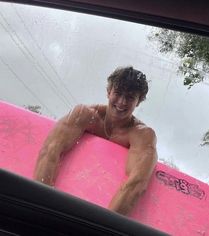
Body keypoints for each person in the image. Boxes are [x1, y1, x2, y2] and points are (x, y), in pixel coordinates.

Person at [34, 66, 158, 216]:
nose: (121, 102)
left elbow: (136, 183)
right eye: (118, 93)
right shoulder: (85, 115)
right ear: (108, 91)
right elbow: (50, 151)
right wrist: (42, 205)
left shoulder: (142, 135)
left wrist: (104, 226)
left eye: (130, 97)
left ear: (138, 102)